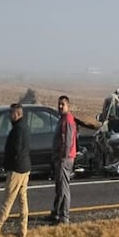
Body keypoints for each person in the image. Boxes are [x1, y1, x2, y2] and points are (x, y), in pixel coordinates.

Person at [0, 104, 31, 237]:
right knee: (22, 199)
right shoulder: (24, 127)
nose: (9, 116)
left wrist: (8, 164)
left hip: (17, 169)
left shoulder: (18, 130)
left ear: (17, 114)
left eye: (11, 113)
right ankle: (23, 230)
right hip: (25, 167)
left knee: (8, 200)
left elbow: (16, 150)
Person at [49, 95, 78, 225]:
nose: (60, 106)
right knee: (59, 187)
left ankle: (64, 216)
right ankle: (56, 212)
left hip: (65, 159)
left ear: (68, 106)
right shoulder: (62, 119)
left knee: (64, 188)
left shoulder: (68, 119)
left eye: (63, 104)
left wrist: (63, 156)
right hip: (60, 158)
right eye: (59, 104)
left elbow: (68, 141)